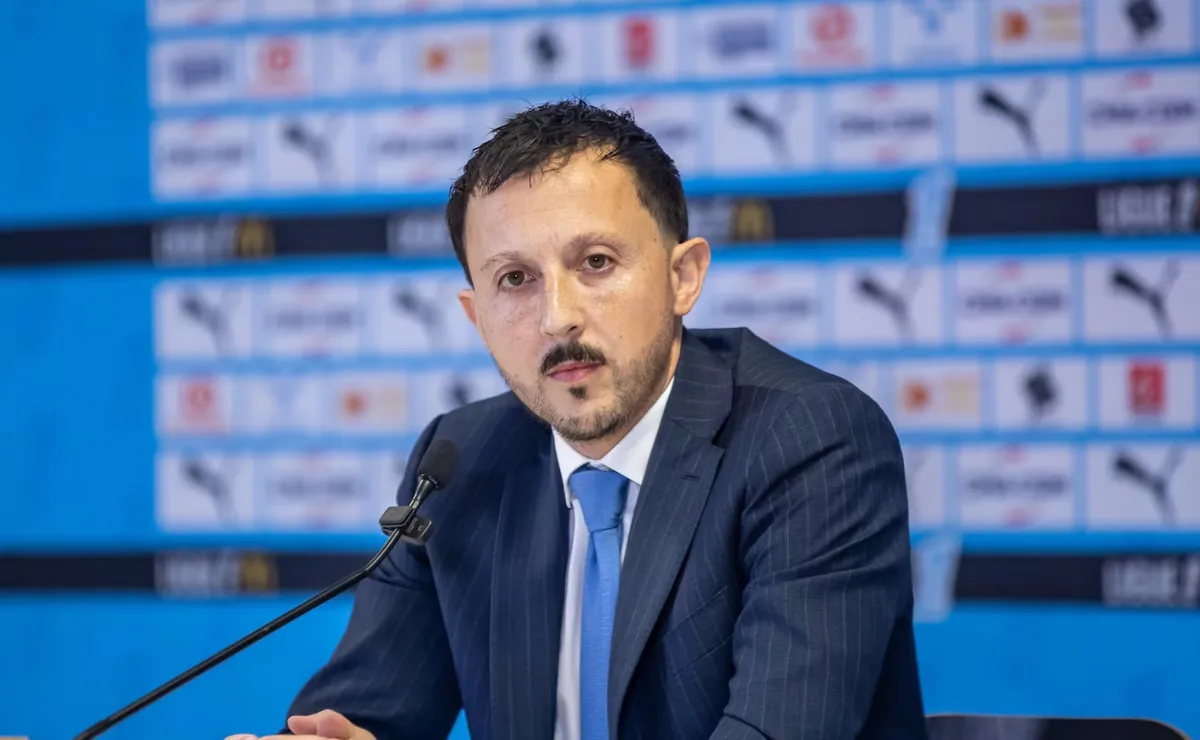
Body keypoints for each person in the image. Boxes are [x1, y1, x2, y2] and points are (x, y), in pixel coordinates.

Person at [229, 99, 927, 740]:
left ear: (682, 277)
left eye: (595, 262)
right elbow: (365, 715)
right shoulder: (462, 462)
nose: (556, 317)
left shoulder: (809, 440)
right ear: (477, 317)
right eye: (514, 279)